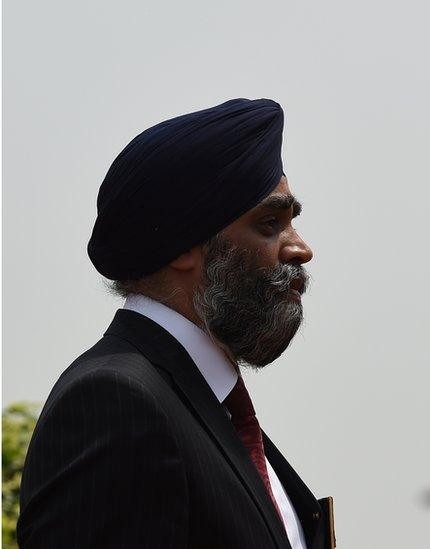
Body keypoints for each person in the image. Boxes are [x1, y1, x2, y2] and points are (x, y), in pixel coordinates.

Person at [17, 99, 335, 549]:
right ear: (183, 245)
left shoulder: (205, 407)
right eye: (269, 224)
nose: (300, 249)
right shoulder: (119, 404)